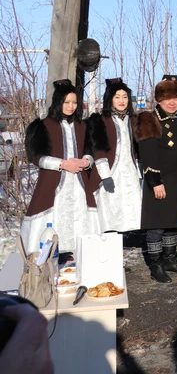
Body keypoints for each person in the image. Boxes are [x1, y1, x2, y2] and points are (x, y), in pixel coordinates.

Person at [22, 79, 99, 257]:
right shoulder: (42, 126)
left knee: (81, 225)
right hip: (54, 185)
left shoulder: (84, 126)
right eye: (67, 102)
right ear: (58, 102)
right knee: (52, 227)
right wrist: (63, 164)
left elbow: (90, 151)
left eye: (74, 102)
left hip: (79, 185)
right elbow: (37, 158)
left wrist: (86, 162)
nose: (71, 107)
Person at [136, 75, 177, 283]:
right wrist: (154, 181)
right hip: (160, 180)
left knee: (173, 221)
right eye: (168, 98)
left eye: (176, 99)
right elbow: (147, 153)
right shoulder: (149, 119)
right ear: (159, 99)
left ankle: (170, 260)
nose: (172, 102)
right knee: (157, 223)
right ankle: (156, 265)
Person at [87, 77, 142, 234]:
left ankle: (126, 237)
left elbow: (137, 148)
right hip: (110, 170)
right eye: (117, 97)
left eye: (125, 97)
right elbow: (98, 149)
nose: (121, 101)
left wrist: (140, 168)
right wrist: (105, 175)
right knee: (110, 207)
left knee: (129, 206)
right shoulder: (100, 120)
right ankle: (109, 238)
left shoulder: (133, 120)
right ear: (110, 99)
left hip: (129, 170)